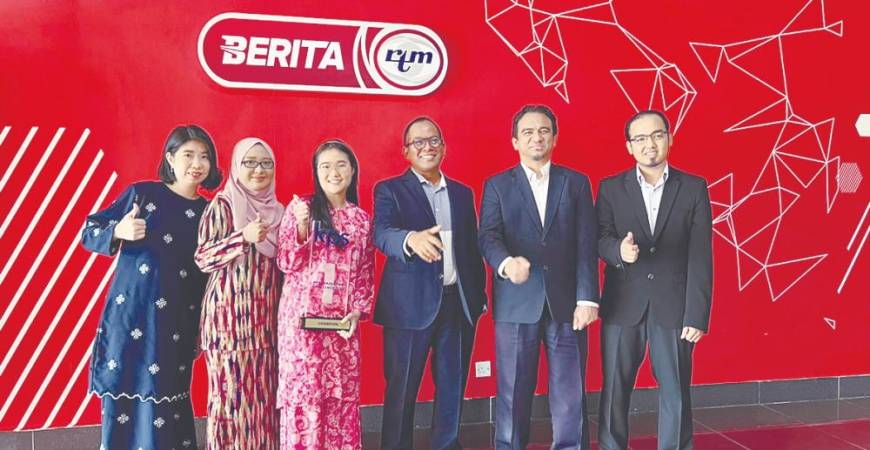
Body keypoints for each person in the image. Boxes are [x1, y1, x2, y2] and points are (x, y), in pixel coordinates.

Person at [81, 124, 223, 450]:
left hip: (177, 323)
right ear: (171, 158)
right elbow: (89, 230)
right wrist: (119, 229)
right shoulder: (142, 195)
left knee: (167, 400)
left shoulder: (209, 212)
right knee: (124, 392)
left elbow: (213, 272)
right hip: (130, 316)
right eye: (188, 154)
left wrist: (207, 325)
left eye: (205, 156)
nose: (197, 163)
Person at [478, 104, 599, 450]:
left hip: (568, 304)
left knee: (570, 391)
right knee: (513, 391)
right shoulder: (498, 185)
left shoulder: (575, 183)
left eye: (544, 130)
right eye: (528, 132)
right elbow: (487, 234)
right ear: (515, 141)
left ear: (555, 138)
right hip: (516, 303)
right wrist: (504, 263)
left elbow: (586, 243)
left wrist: (587, 298)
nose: (537, 137)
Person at [596, 110, 713, 450]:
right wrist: (618, 250)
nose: (650, 144)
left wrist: (696, 314)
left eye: (657, 135)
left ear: (670, 138)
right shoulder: (610, 188)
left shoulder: (693, 187)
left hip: (673, 307)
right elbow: (599, 238)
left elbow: (700, 255)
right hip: (622, 305)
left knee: (675, 393)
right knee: (615, 391)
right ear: (629, 147)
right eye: (641, 139)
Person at [373, 116, 487, 450]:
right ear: (406, 151)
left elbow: (471, 247)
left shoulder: (463, 193)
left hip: (457, 304)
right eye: (418, 142)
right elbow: (381, 234)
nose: (427, 147)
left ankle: (447, 443)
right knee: (402, 387)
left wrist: (478, 297)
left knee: (453, 385)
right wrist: (410, 240)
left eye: (433, 140)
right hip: (409, 306)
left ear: (444, 147)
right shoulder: (390, 189)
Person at [276, 140, 375, 449]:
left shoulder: (361, 220)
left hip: (342, 331)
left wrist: (357, 312)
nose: (334, 172)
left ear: (353, 169)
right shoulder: (302, 209)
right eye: (325, 166)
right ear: (316, 173)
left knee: (340, 397)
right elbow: (286, 261)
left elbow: (365, 273)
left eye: (341, 164)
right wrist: (302, 226)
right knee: (305, 398)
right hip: (302, 330)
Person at [195, 137, 284, 449]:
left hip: (267, 327)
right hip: (229, 327)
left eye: (266, 163)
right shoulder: (224, 205)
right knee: (230, 405)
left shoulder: (280, 212)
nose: (259, 170)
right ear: (236, 166)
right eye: (250, 162)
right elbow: (203, 258)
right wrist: (241, 238)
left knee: (264, 407)